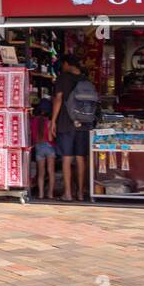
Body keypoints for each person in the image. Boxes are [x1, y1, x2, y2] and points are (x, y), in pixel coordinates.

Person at [50, 55, 95, 201]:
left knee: (67, 158)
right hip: (84, 123)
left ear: (67, 64)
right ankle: (81, 193)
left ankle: (68, 193)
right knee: (81, 157)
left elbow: (58, 99)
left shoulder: (63, 78)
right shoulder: (85, 79)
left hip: (66, 123)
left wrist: (53, 121)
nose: (62, 68)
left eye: (62, 65)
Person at [31, 103, 56, 200]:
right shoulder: (49, 122)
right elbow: (51, 137)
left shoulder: (34, 121)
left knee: (41, 173)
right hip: (49, 147)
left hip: (38, 148)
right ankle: (50, 194)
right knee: (51, 172)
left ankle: (41, 194)